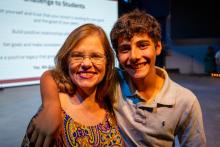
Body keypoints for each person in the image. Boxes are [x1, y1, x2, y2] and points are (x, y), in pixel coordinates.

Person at [27, 9, 206, 146]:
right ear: (116, 54)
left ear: (158, 47)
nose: (134, 56)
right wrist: (50, 104)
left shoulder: (185, 101)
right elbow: (51, 75)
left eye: (143, 45)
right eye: (125, 49)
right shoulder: (112, 81)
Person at [22, 23, 124, 146]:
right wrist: (51, 105)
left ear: (107, 62)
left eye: (96, 56)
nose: (86, 63)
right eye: (77, 56)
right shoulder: (51, 115)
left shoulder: (111, 100)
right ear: (66, 61)